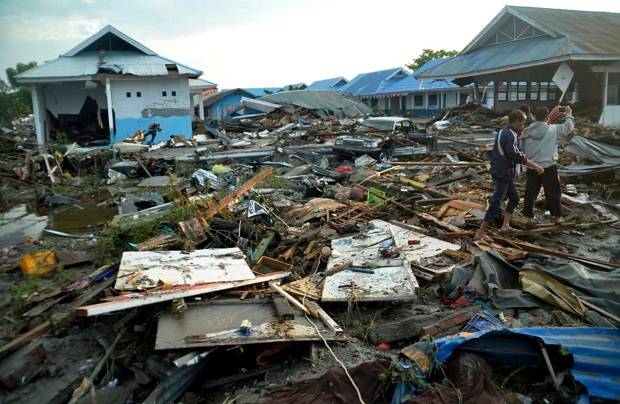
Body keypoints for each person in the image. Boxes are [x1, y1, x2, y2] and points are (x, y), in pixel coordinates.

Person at [475, 110, 545, 241]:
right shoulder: (511, 134)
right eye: (523, 122)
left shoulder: (503, 131)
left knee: (514, 197)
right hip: (503, 172)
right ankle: (480, 232)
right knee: (496, 202)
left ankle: (505, 226)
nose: (523, 125)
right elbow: (514, 154)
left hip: (501, 170)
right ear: (517, 121)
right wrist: (534, 165)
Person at [521, 105, 575, 223]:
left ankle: (528, 216)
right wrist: (569, 114)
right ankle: (556, 216)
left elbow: (521, 149)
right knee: (553, 192)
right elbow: (569, 127)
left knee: (531, 192)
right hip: (549, 166)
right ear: (547, 118)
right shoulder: (553, 129)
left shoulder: (526, 131)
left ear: (534, 117)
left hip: (532, 166)